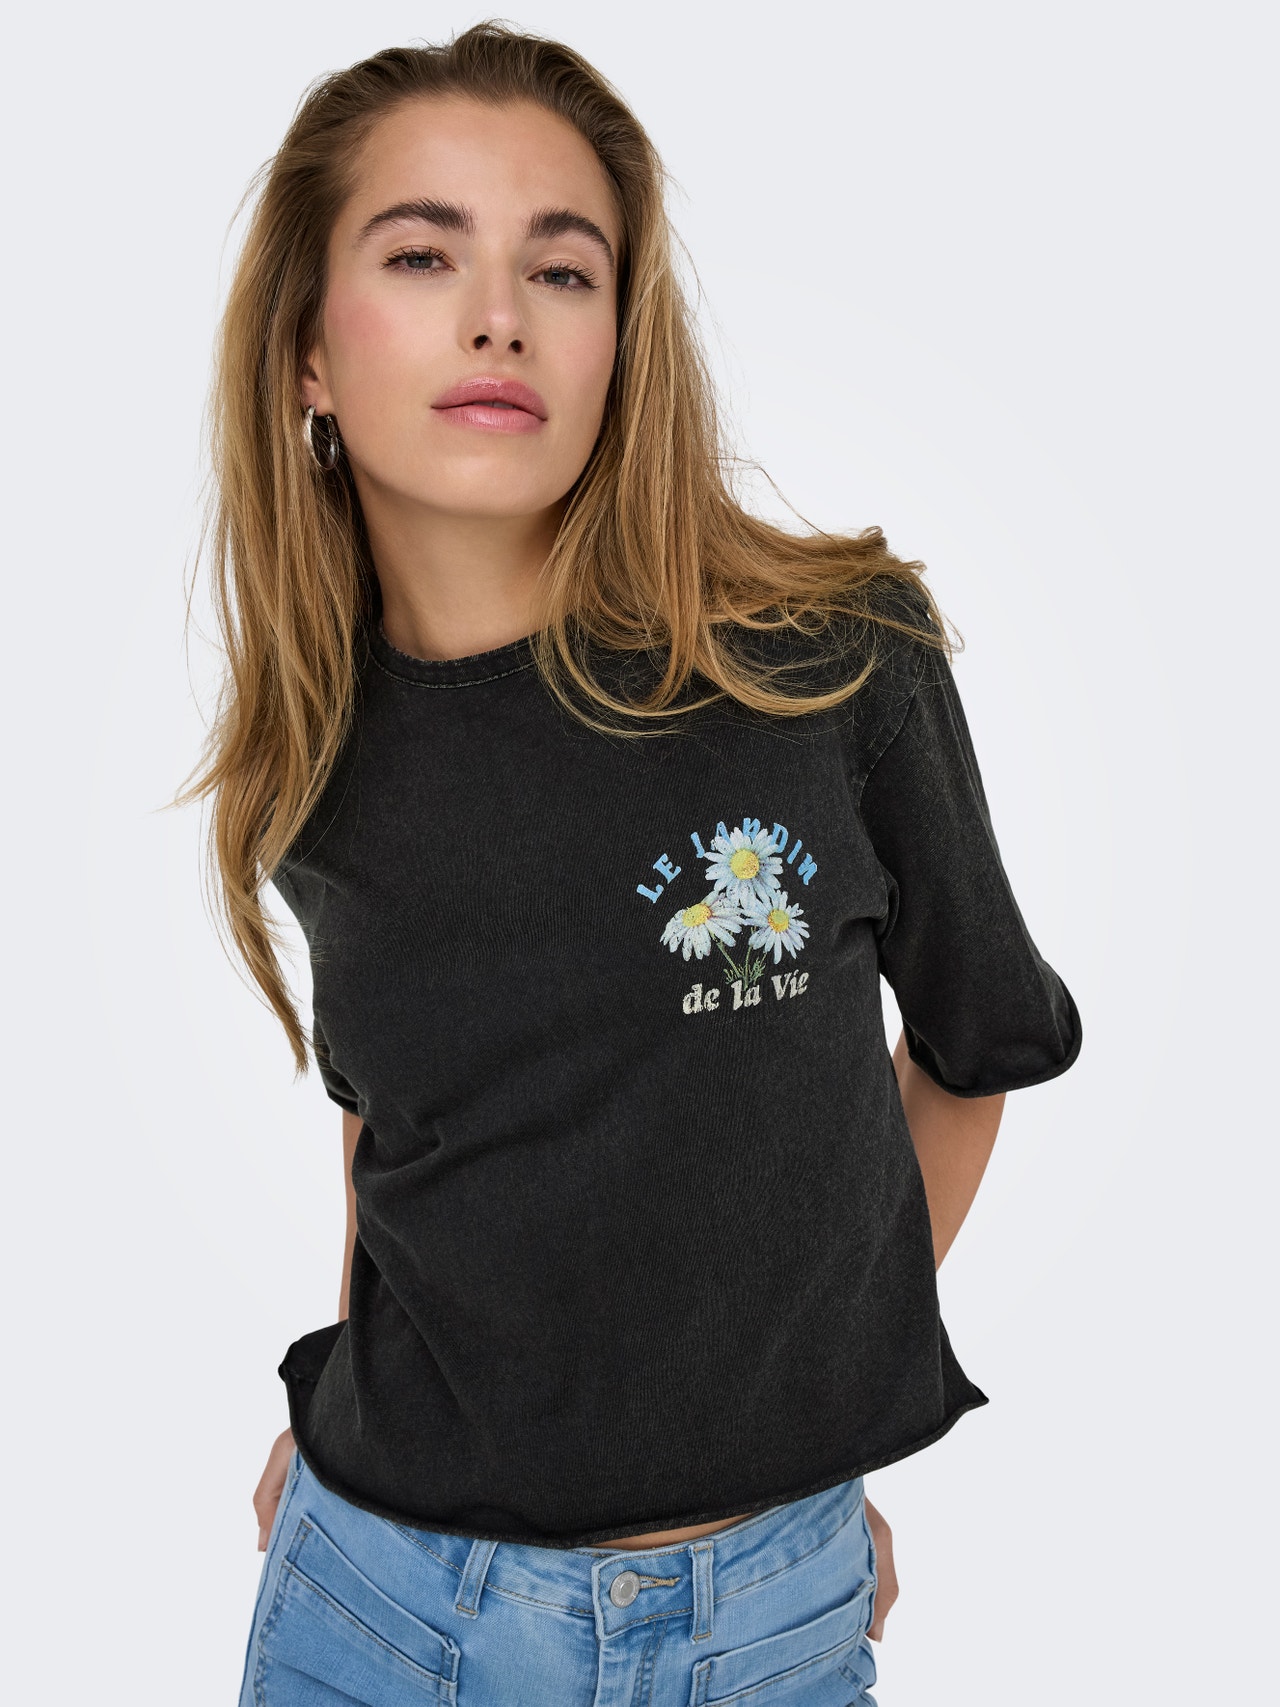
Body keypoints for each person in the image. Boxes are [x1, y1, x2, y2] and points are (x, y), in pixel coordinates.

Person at [178, 21, 1082, 1705]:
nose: (499, 315)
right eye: (423, 253)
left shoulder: (829, 666)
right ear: (308, 350)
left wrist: (787, 1433)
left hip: (770, 1624)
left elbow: (976, 1055)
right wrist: (357, 1401)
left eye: (563, 268)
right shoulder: (321, 750)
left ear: (617, 341)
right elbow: (403, 1128)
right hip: (373, 1608)